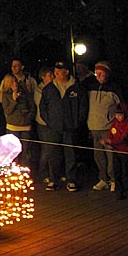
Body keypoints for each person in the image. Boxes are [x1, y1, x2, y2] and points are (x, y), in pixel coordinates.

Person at [41, 60, 89, 192]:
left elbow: (83, 107)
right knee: (53, 154)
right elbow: (43, 107)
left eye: (59, 70)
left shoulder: (77, 88)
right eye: (55, 70)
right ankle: (53, 179)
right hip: (54, 127)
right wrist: (50, 121)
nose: (56, 72)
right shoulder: (49, 89)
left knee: (71, 154)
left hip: (70, 127)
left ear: (66, 71)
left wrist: (77, 122)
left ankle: (71, 180)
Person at [86, 61, 124, 192]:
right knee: (98, 155)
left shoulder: (114, 88)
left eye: (101, 73)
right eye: (97, 72)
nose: (98, 75)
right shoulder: (90, 86)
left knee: (111, 155)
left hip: (108, 126)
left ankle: (113, 179)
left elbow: (121, 106)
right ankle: (103, 179)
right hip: (94, 125)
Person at [0, 72, 36, 170]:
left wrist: (29, 117)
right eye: (12, 82)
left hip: (25, 125)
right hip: (13, 127)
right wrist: (14, 100)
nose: (15, 84)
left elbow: (32, 106)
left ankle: (24, 172)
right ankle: (14, 173)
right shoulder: (6, 95)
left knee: (25, 151)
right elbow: (7, 111)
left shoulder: (25, 93)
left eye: (15, 81)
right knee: (13, 152)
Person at [101, 103, 128, 199]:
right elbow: (110, 133)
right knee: (117, 172)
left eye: (120, 114)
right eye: (117, 114)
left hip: (125, 152)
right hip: (116, 151)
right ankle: (119, 191)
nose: (118, 117)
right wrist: (108, 140)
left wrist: (110, 141)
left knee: (125, 172)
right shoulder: (114, 123)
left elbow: (122, 138)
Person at [34, 66, 59, 187]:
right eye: (50, 75)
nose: (52, 77)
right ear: (43, 77)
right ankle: (44, 173)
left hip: (53, 123)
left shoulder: (54, 88)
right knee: (47, 149)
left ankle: (53, 173)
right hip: (43, 123)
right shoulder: (40, 90)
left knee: (53, 148)